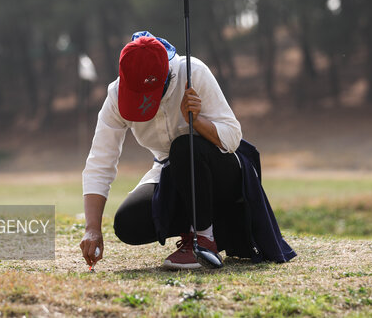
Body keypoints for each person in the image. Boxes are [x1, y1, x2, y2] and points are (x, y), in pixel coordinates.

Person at [80, 31, 295, 270]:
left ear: (166, 77)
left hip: (222, 170)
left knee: (184, 146)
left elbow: (233, 137)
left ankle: (203, 241)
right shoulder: (115, 95)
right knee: (128, 224)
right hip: (170, 171)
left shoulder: (193, 73)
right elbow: (100, 161)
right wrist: (92, 229)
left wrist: (198, 122)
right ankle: (210, 226)